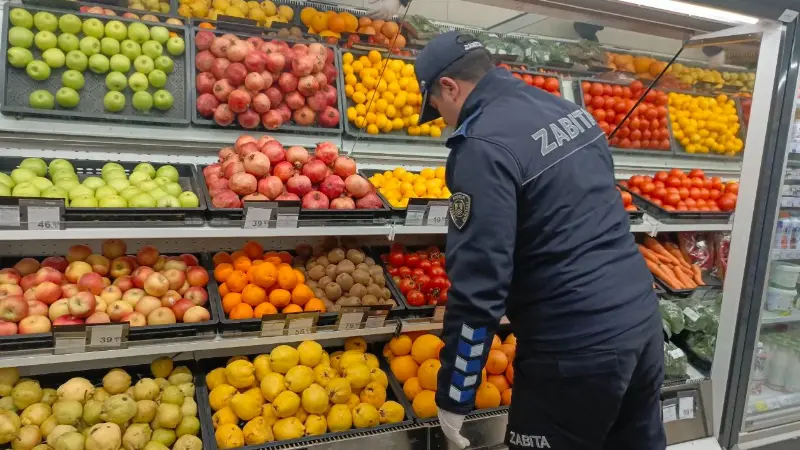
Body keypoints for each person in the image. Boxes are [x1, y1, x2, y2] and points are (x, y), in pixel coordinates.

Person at [415, 31, 667, 450]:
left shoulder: (481, 146)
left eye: (437, 108)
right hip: (640, 320)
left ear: (449, 86)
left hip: (574, 349)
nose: (443, 120)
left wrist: (455, 394)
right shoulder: (567, 110)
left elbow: (479, 286)